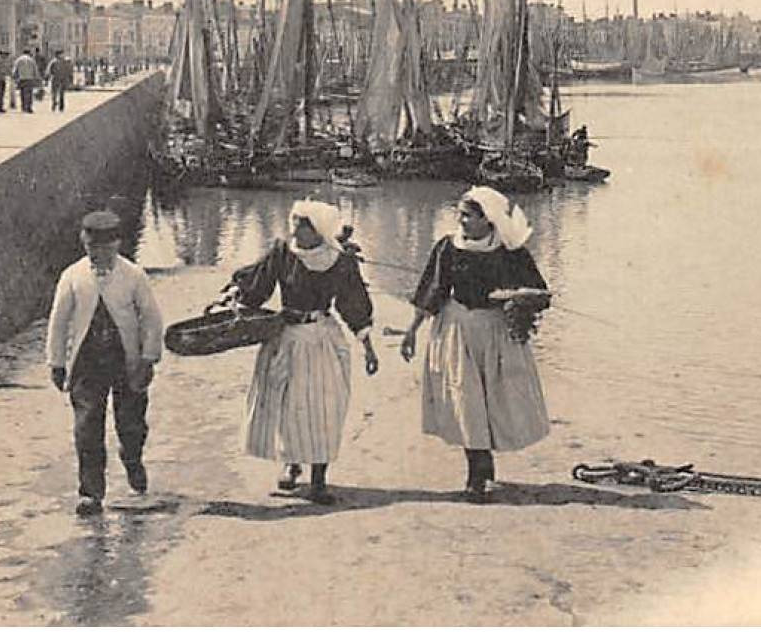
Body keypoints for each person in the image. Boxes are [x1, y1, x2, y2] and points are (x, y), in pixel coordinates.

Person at [400, 186, 551, 502]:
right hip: (457, 328)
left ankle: (486, 462)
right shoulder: (448, 247)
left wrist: (517, 300)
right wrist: (412, 331)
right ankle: (476, 472)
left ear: (488, 219)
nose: (462, 221)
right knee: (465, 399)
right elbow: (433, 290)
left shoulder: (510, 251)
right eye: (460, 215)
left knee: (494, 399)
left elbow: (539, 292)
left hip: (497, 332)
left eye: (467, 216)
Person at [229, 200, 379, 503]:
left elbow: (353, 303)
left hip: (321, 339)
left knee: (322, 408)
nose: (295, 228)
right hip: (286, 336)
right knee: (287, 405)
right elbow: (258, 284)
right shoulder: (283, 252)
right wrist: (235, 298)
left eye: (303, 224)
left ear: (320, 230)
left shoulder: (340, 261)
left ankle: (319, 479)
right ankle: (291, 464)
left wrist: (367, 346)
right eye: (294, 221)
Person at [46, 210, 164, 516]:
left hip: (126, 359)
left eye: (105, 249)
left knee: (131, 423)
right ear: (83, 244)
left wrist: (148, 358)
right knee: (86, 426)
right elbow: (58, 323)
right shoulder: (72, 276)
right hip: (87, 362)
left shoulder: (133, 275)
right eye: (91, 249)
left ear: (117, 245)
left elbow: (151, 319)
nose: (98, 255)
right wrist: (56, 362)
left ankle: (133, 459)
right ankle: (90, 492)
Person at [12, 48, 41, 113]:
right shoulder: (32, 60)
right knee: (29, 93)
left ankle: (23, 107)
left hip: (22, 79)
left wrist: (14, 77)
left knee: (22, 93)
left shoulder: (18, 60)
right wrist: (37, 78)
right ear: (29, 53)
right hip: (30, 79)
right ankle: (29, 107)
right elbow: (35, 70)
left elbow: (15, 70)